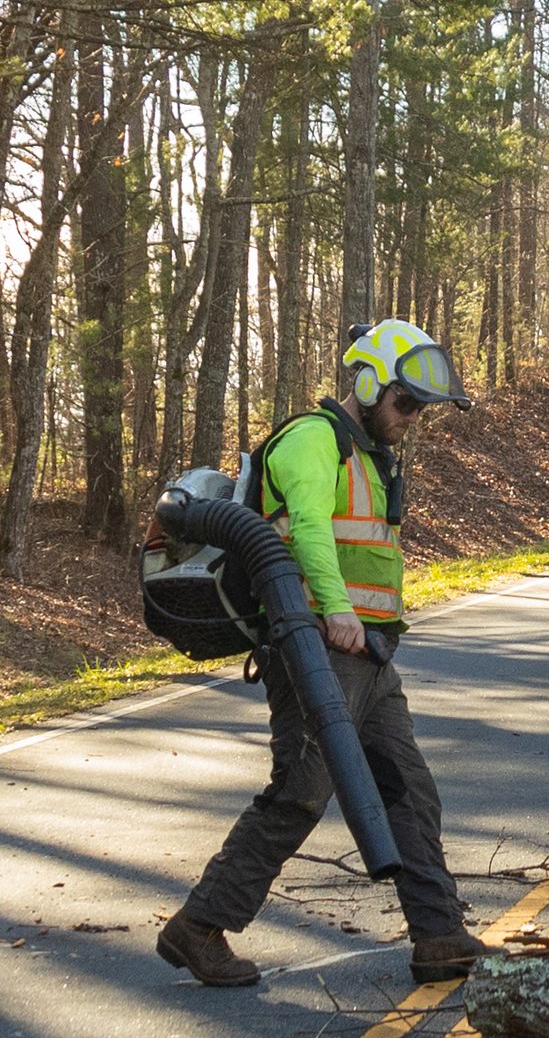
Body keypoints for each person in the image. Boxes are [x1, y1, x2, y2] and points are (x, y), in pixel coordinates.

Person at [155, 320, 485, 991]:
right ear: (368, 387)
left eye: (420, 408)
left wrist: (361, 625)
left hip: (367, 653)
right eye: (406, 404)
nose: (414, 419)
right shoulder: (313, 440)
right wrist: (334, 610)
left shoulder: (368, 455)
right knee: (301, 791)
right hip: (314, 645)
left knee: (408, 790)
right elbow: (306, 528)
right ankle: (199, 926)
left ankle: (440, 937)